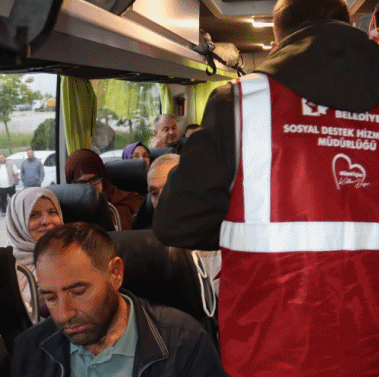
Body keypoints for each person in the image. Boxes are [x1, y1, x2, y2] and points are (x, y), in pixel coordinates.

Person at [154, 0, 379, 377]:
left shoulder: (240, 102)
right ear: (349, 28)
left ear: (278, 42)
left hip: (269, 352)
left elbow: (175, 222)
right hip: (375, 351)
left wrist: (245, 221)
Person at [11, 222, 224, 376]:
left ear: (115, 273)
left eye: (78, 292)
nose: (64, 314)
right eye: (50, 297)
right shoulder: (30, 349)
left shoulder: (184, 342)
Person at [5, 187, 63, 307]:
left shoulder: (76, 256)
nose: (46, 221)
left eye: (52, 212)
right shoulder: (5, 265)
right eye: (34, 215)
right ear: (17, 222)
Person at [66, 149, 144, 230]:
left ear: (103, 178)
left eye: (94, 179)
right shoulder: (67, 212)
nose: (90, 188)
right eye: (81, 183)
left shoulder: (131, 202)